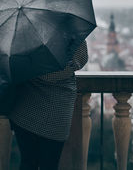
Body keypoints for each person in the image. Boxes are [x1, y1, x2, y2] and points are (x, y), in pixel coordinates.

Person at [8, 40, 88, 170]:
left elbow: (11, 61)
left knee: (28, 162)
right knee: (50, 164)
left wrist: (33, 69)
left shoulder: (24, 26)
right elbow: (81, 57)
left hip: (25, 105)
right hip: (57, 108)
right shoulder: (70, 24)